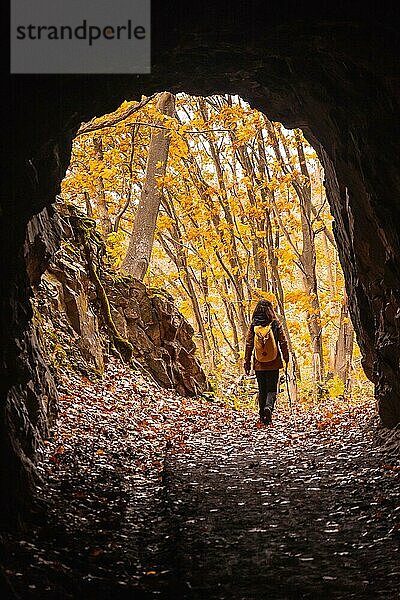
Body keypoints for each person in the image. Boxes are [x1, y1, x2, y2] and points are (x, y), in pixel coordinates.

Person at [244, 299, 289, 425]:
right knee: (272, 389)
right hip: (274, 362)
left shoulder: (254, 325)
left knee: (262, 389)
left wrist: (246, 361)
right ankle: (268, 408)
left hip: (259, 363)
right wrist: (286, 357)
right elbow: (283, 342)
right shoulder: (275, 324)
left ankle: (262, 416)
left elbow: (249, 344)